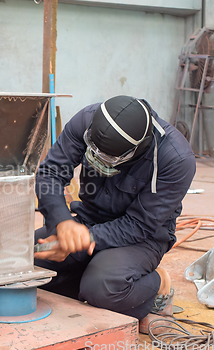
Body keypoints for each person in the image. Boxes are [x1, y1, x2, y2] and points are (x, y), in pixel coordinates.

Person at [34, 95, 196, 333]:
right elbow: (50, 173)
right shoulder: (87, 120)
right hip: (88, 219)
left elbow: (139, 225)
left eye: (107, 157)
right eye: (93, 150)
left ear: (136, 150)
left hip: (142, 237)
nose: (96, 157)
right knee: (27, 262)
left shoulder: (176, 159)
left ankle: (158, 283)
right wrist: (63, 223)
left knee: (102, 288)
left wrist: (83, 239)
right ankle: (94, 276)